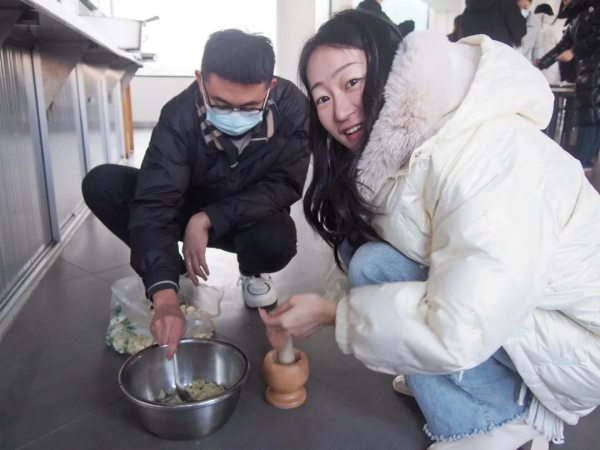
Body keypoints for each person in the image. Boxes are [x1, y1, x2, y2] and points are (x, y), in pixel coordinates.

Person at [260, 10, 600, 450]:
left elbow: (466, 321)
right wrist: (334, 302)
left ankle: (498, 419)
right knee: (366, 255)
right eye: (322, 98)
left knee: (375, 267)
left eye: (352, 82)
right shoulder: (409, 139)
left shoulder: (485, 150)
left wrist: (334, 315)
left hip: (579, 344)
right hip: (523, 312)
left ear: (391, 67)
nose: (340, 111)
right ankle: (452, 382)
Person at [82, 29, 310, 359]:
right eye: (220, 104)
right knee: (103, 184)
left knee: (276, 240)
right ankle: (170, 276)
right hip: (184, 205)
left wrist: (208, 219)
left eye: (249, 106)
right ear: (200, 80)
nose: (234, 117)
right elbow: (156, 201)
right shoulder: (179, 116)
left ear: (270, 87)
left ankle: (253, 271)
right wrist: (164, 298)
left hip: (247, 217)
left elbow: (285, 183)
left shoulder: (293, 110)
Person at [538, 0, 600, 171]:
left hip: (595, 72)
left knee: (590, 119)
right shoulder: (577, 14)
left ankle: (582, 165)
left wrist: (574, 52)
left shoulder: (593, 8)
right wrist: (542, 63)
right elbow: (565, 44)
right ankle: (584, 165)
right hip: (586, 73)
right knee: (590, 117)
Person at [460, 0, 527, 47]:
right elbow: (519, 30)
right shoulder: (506, 2)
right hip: (498, 53)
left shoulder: (468, 8)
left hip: (471, 54)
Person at [534, 3, 562, 84]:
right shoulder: (555, 27)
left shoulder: (530, 24)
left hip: (533, 64)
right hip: (551, 65)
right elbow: (562, 45)